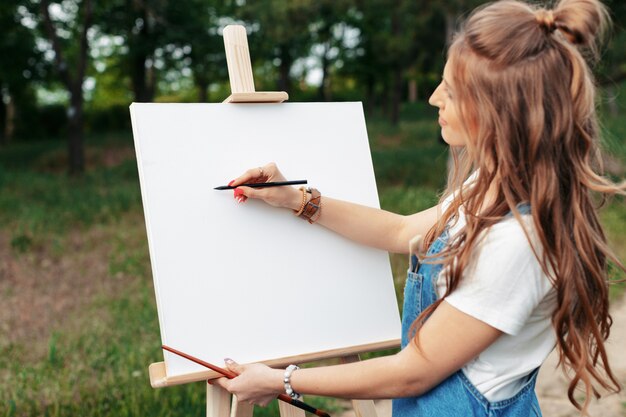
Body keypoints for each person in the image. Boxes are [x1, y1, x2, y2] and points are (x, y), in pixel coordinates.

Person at [214, 0, 626, 415]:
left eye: (449, 90)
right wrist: (297, 200)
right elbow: (400, 230)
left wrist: (281, 379)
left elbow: (414, 372)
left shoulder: (519, 241)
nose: (433, 98)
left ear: (498, 109)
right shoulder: (489, 185)